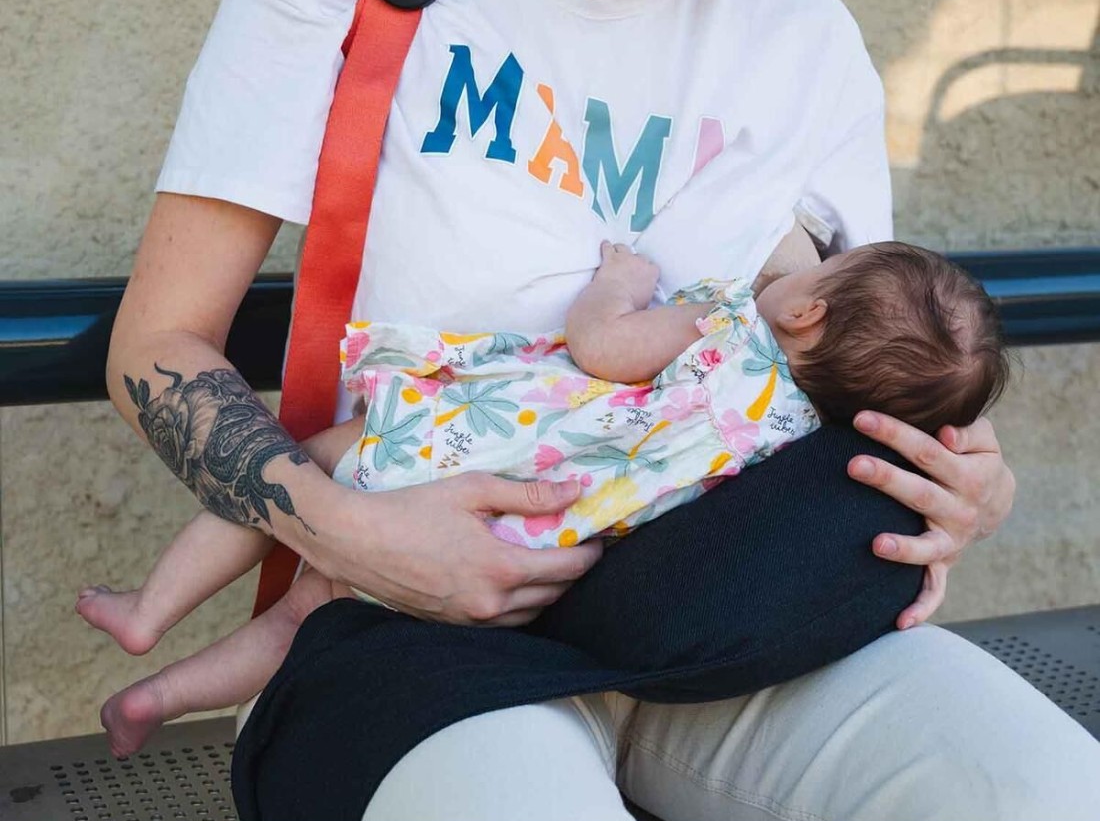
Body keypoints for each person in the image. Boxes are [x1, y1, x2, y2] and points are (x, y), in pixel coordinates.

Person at [104, 0, 1100, 821]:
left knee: (1053, 806)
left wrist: (972, 485)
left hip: (723, 609)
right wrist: (349, 534)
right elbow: (158, 348)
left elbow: (856, 342)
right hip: (405, 623)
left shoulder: (804, 37)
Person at [83, 234, 1011, 759]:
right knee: (301, 620)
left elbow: (603, 348)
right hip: (524, 554)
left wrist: (620, 284)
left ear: (807, 310)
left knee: (291, 468)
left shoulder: (730, 330)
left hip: (464, 452)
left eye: (822, 266)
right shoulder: (798, 431)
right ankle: (158, 699)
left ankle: (150, 610)